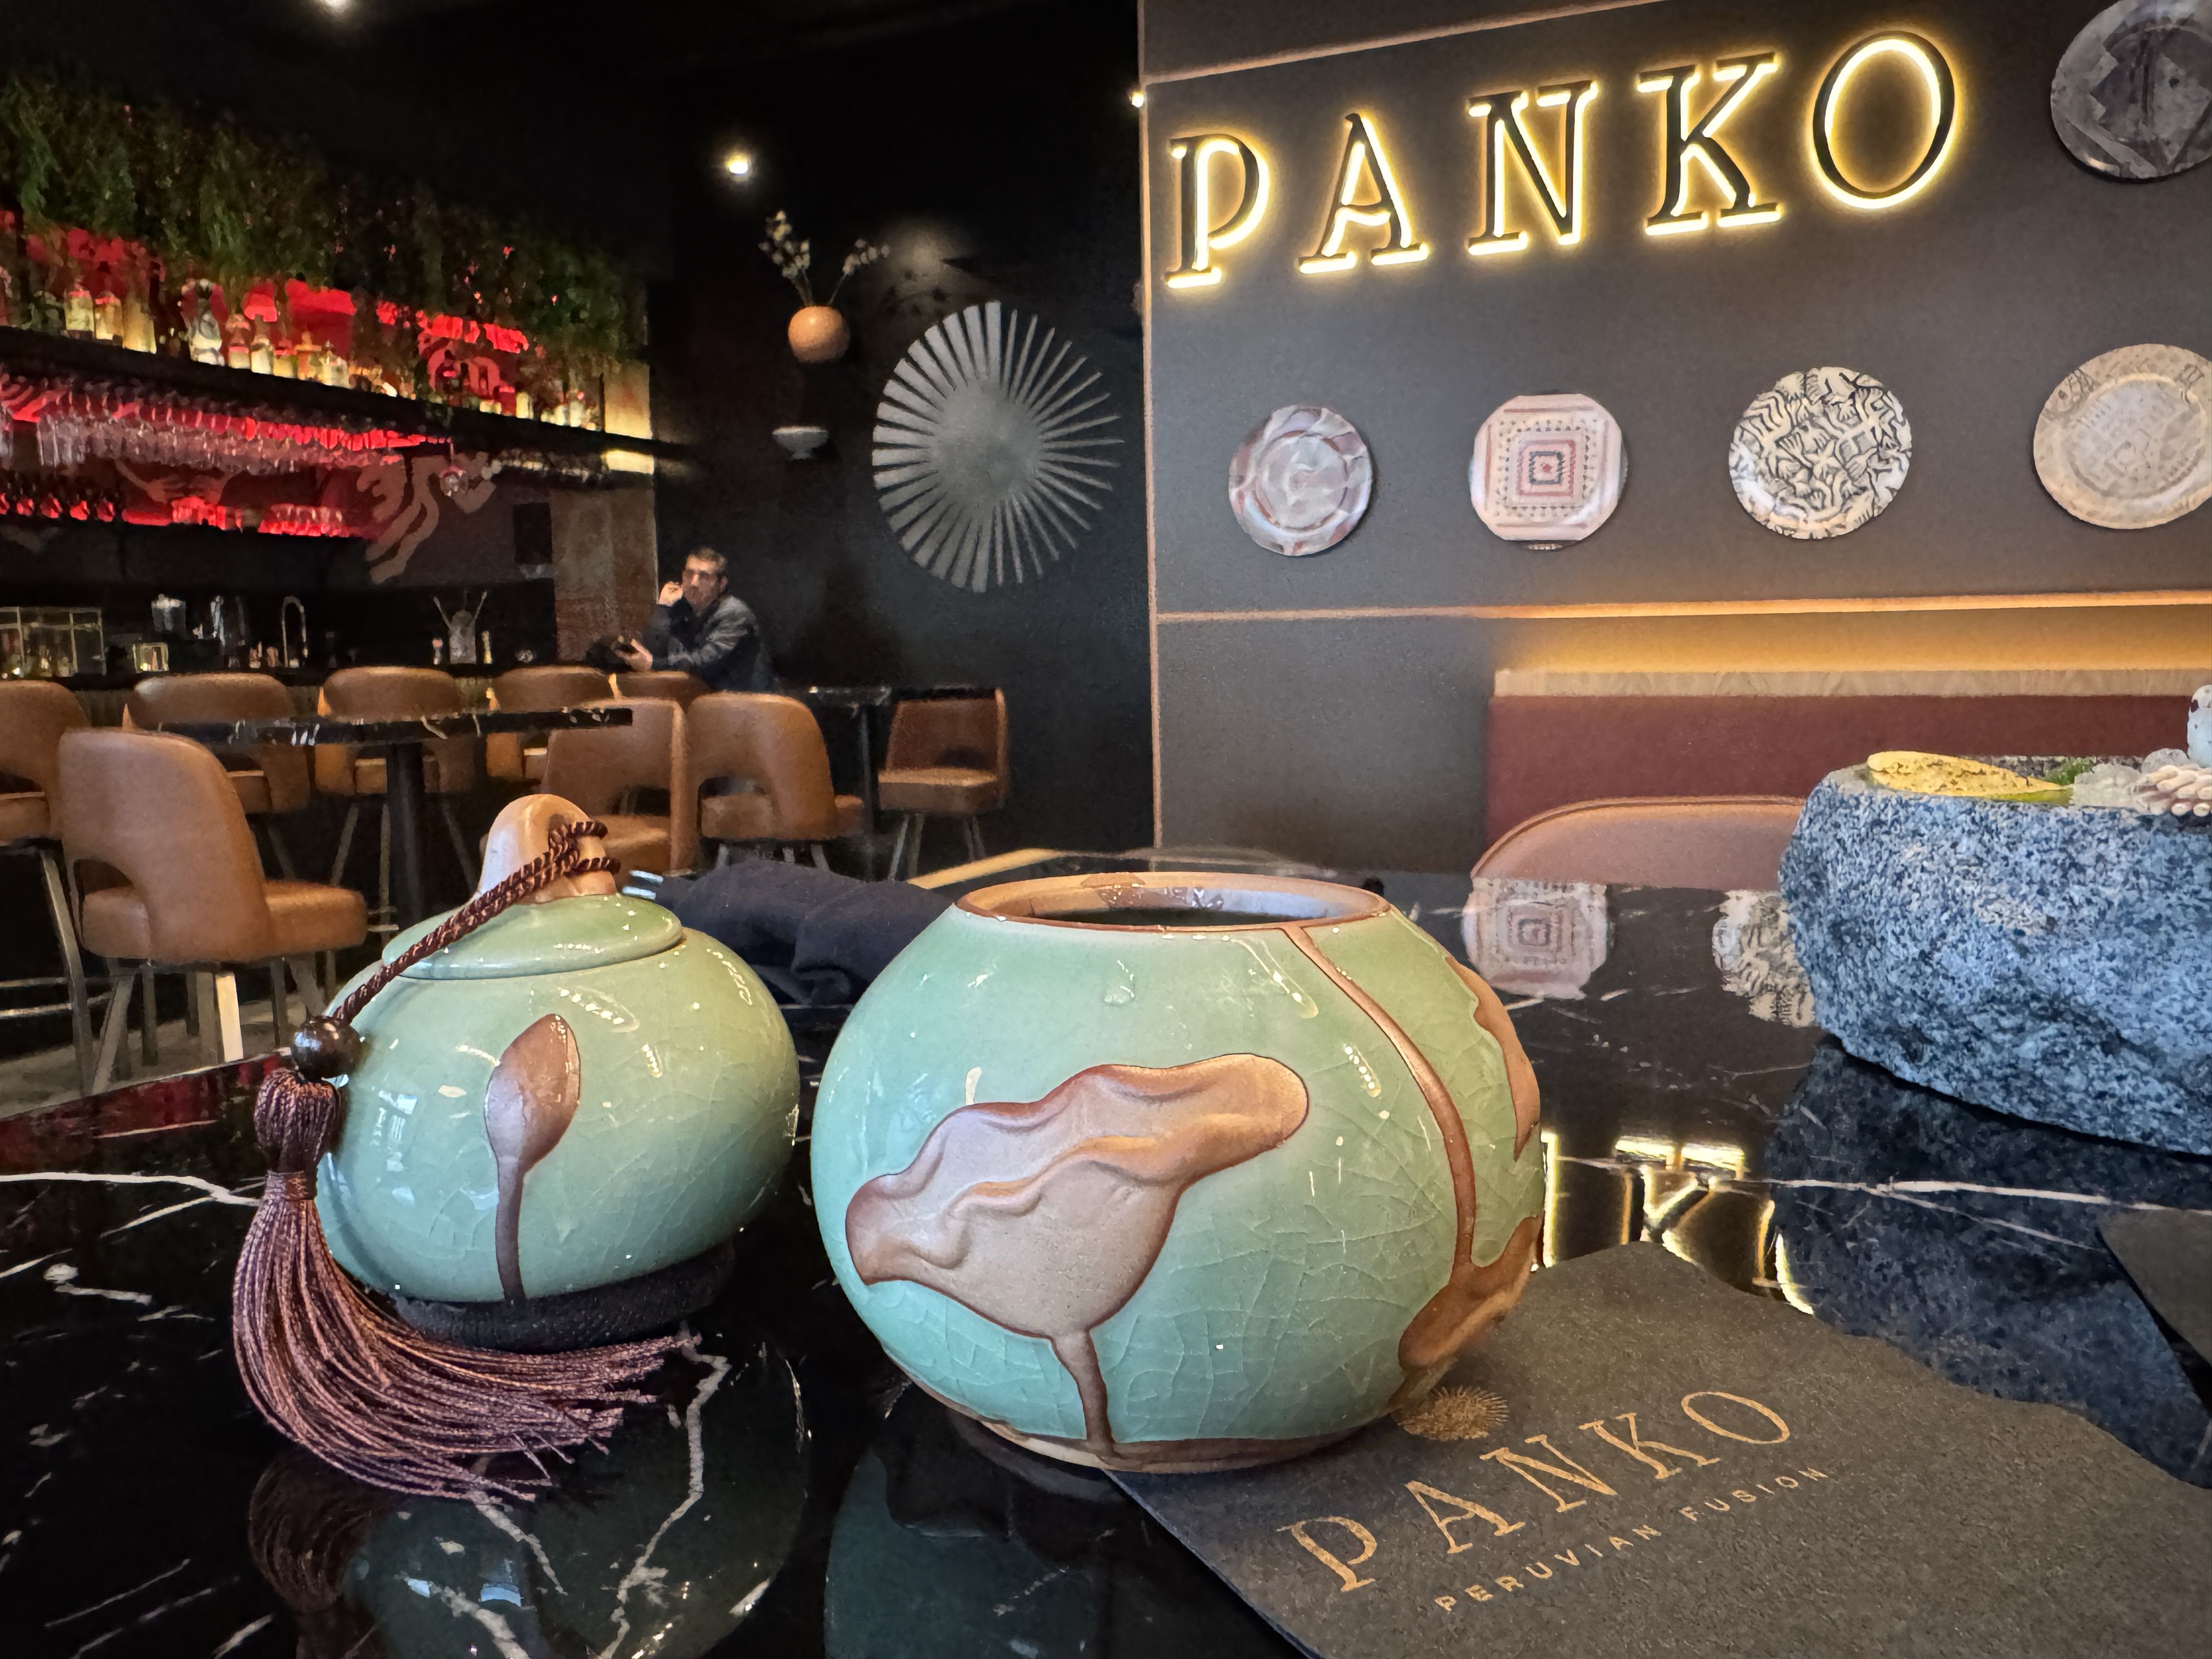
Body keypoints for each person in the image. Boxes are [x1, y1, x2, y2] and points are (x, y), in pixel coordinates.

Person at [616, 546, 776, 692]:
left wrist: (653, 664)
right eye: (689, 574)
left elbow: (704, 662)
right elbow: (655, 650)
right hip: (707, 702)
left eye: (704, 577)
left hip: (745, 707)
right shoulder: (683, 609)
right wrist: (664, 607)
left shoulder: (735, 613)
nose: (693, 583)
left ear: (721, 584)